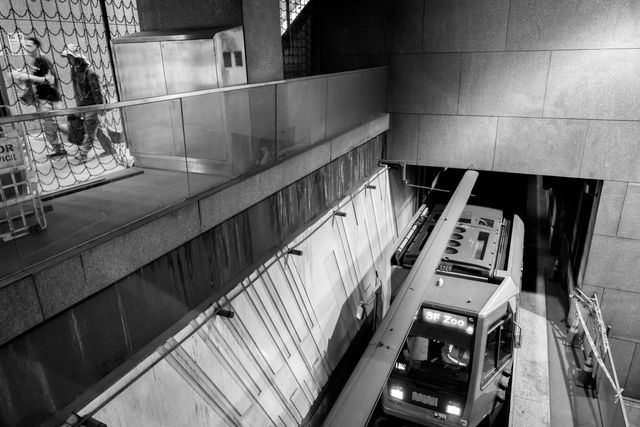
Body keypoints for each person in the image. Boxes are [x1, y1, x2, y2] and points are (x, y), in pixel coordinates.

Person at [11, 37, 66, 158]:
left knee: (58, 125)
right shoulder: (35, 62)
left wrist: (26, 76)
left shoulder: (42, 60)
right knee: (50, 127)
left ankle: (82, 138)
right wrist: (22, 77)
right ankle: (58, 150)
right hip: (43, 100)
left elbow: (50, 80)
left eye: (29, 46)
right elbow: (35, 82)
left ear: (36, 46)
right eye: (25, 46)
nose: (27, 49)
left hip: (51, 99)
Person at [61, 43, 104, 162]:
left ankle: (83, 154)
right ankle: (110, 148)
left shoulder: (89, 72)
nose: (68, 59)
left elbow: (97, 91)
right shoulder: (74, 70)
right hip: (82, 106)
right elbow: (76, 89)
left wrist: (100, 107)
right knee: (97, 128)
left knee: (90, 130)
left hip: (91, 105)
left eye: (70, 57)